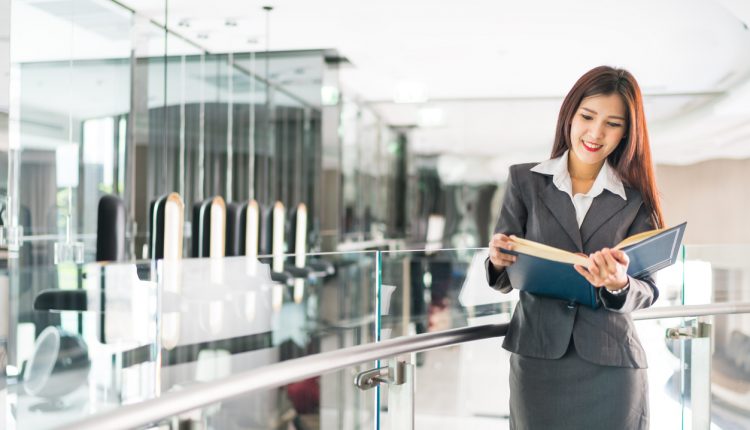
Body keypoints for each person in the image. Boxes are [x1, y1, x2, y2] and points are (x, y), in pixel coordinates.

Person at [486, 65, 664, 430]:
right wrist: (496, 259)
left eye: (613, 123)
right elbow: (503, 271)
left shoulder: (637, 199)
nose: (596, 133)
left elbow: (647, 290)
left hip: (612, 364)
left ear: (626, 132)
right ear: (569, 114)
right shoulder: (524, 181)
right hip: (538, 357)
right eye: (587, 116)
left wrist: (618, 283)